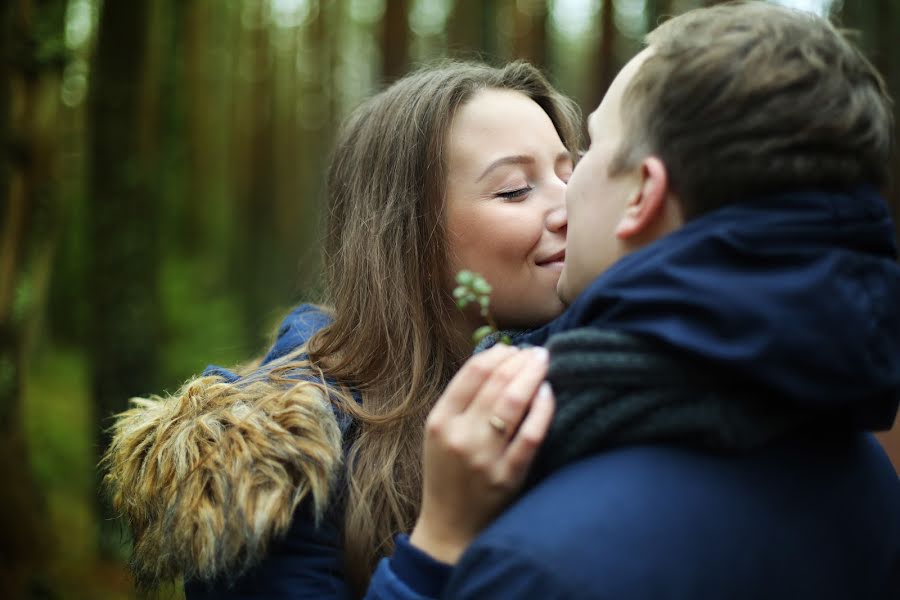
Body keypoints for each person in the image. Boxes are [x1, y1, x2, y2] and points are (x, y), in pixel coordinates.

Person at [374, 3, 900, 598]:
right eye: (516, 188)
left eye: (587, 153)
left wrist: (437, 547)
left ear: (643, 193)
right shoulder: (869, 474)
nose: (565, 200)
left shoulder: (537, 565)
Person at [102, 61, 581, 599]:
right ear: (409, 238)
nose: (571, 205)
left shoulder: (599, 380)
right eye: (515, 190)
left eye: (571, 174)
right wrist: (441, 541)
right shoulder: (283, 467)